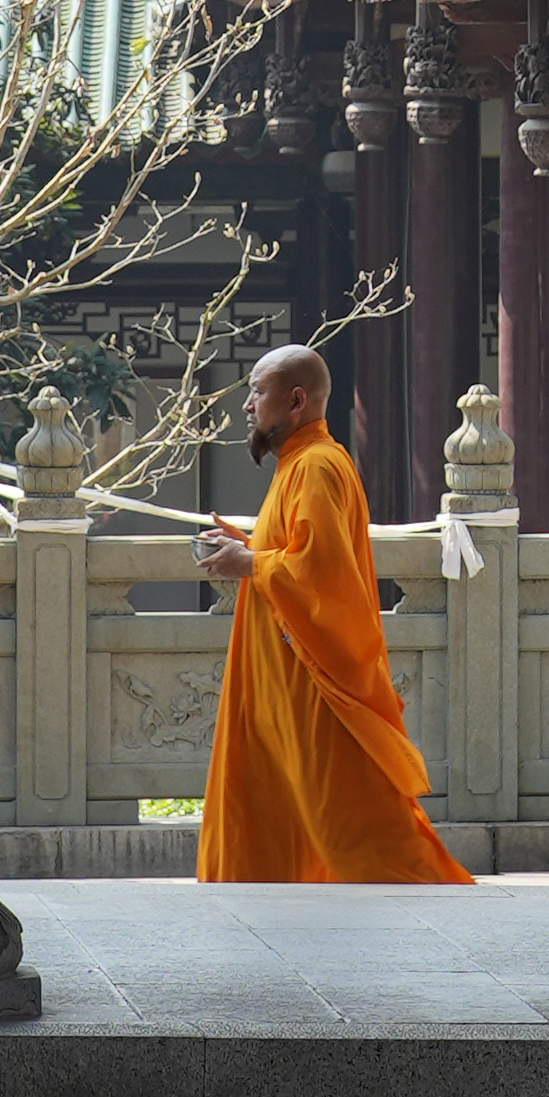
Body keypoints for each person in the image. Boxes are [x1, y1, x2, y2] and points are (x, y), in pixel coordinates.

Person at [196, 344, 469, 884]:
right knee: (290, 810)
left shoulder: (316, 466)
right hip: (283, 683)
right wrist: (247, 545)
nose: (247, 405)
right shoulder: (300, 463)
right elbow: (297, 550)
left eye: (256, 391)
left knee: (352, 828)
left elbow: (321, 570)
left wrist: (249, 560)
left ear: (295, 399)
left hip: (314, 686)